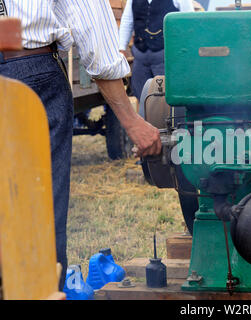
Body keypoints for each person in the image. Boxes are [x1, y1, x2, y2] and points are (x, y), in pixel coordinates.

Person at [0, 0, 162, 290]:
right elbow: (91, 28)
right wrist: (131, 120)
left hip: (23, 69)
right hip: (30, 73)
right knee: (40, 216)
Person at [119, 0, 194, 100]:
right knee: (141, 96)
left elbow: (189, 22)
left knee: (165, 99)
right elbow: (127, 21)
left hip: (166, 59)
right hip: (140, 58)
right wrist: (121, 48)